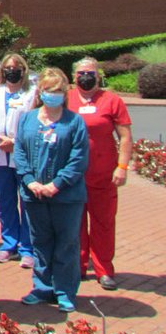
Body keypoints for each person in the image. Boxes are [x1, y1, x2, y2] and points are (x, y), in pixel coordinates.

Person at [14, 68, 89, 313]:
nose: (52, 94)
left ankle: (64, 291)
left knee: (66, 243)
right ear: (40, 92)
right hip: (34, 194)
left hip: (66, 197)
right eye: (48, 90)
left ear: (65, 92)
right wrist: (29, 180)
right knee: (40, 242)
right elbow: (20, 152)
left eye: (57, 90)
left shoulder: (74, 122)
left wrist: (56, 184)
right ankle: (42, 287)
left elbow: (78, 159)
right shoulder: (27, 119)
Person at [67, 57, 133, 291]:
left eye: (90, 73)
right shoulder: (66, 99)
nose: (86, 76)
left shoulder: (111, 101)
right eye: (81, 73)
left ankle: (104, 268)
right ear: (74, 76)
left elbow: (125, 137)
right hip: (72, 175)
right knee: (75, 223)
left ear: (98, 75)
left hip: (103, 175)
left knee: (103, 223)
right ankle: (79, 264)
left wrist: (122, 166)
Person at [0, 53, 36, 268]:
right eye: (7, 67)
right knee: (5, 202)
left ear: (23, 70)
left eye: (16, 67)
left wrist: (16, 142)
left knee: (27, 201)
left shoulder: (32, 93)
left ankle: (28, 248)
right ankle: (8, 244)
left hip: (23, 155)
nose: (11, 71)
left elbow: (36, 121)